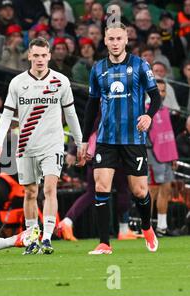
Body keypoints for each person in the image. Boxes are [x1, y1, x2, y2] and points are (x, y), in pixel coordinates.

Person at [0, 37, 83, 255]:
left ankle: (48, 237)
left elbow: (70, 113)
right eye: (36, 55)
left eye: (44, 55)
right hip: (25, 145)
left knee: (50, 188)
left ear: (49, 56)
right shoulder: (17, 83)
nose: (40, 59)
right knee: (30, 192)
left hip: (52, 144)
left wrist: (79, 142)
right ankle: (32, 237)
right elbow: (6, 115)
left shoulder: (61, 81)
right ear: (29, 56)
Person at [80, 22, 162, 255]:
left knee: (139, 191)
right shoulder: (97, 69)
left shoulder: (139, 65)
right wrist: (86, 139)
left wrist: (148, 115)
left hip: (133, 139)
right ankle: (105, 243)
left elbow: (155, 97)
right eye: (111, 39)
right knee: (101, 186)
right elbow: (91, 106)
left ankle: (146, 227)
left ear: (126, 40)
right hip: (106, 139)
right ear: (105, 41)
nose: (115, 43)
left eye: (119, 39)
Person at [147, 79, 179, 237]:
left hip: (166, 157)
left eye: (163, 90)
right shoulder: (145, 110)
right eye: (158, 90)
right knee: (151, 192)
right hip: (153, 157)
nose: (161, 94)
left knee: (166, 190)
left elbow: (169, 135)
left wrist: (173, 156)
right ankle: (146, 228)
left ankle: (162, 227)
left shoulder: (165, 110)